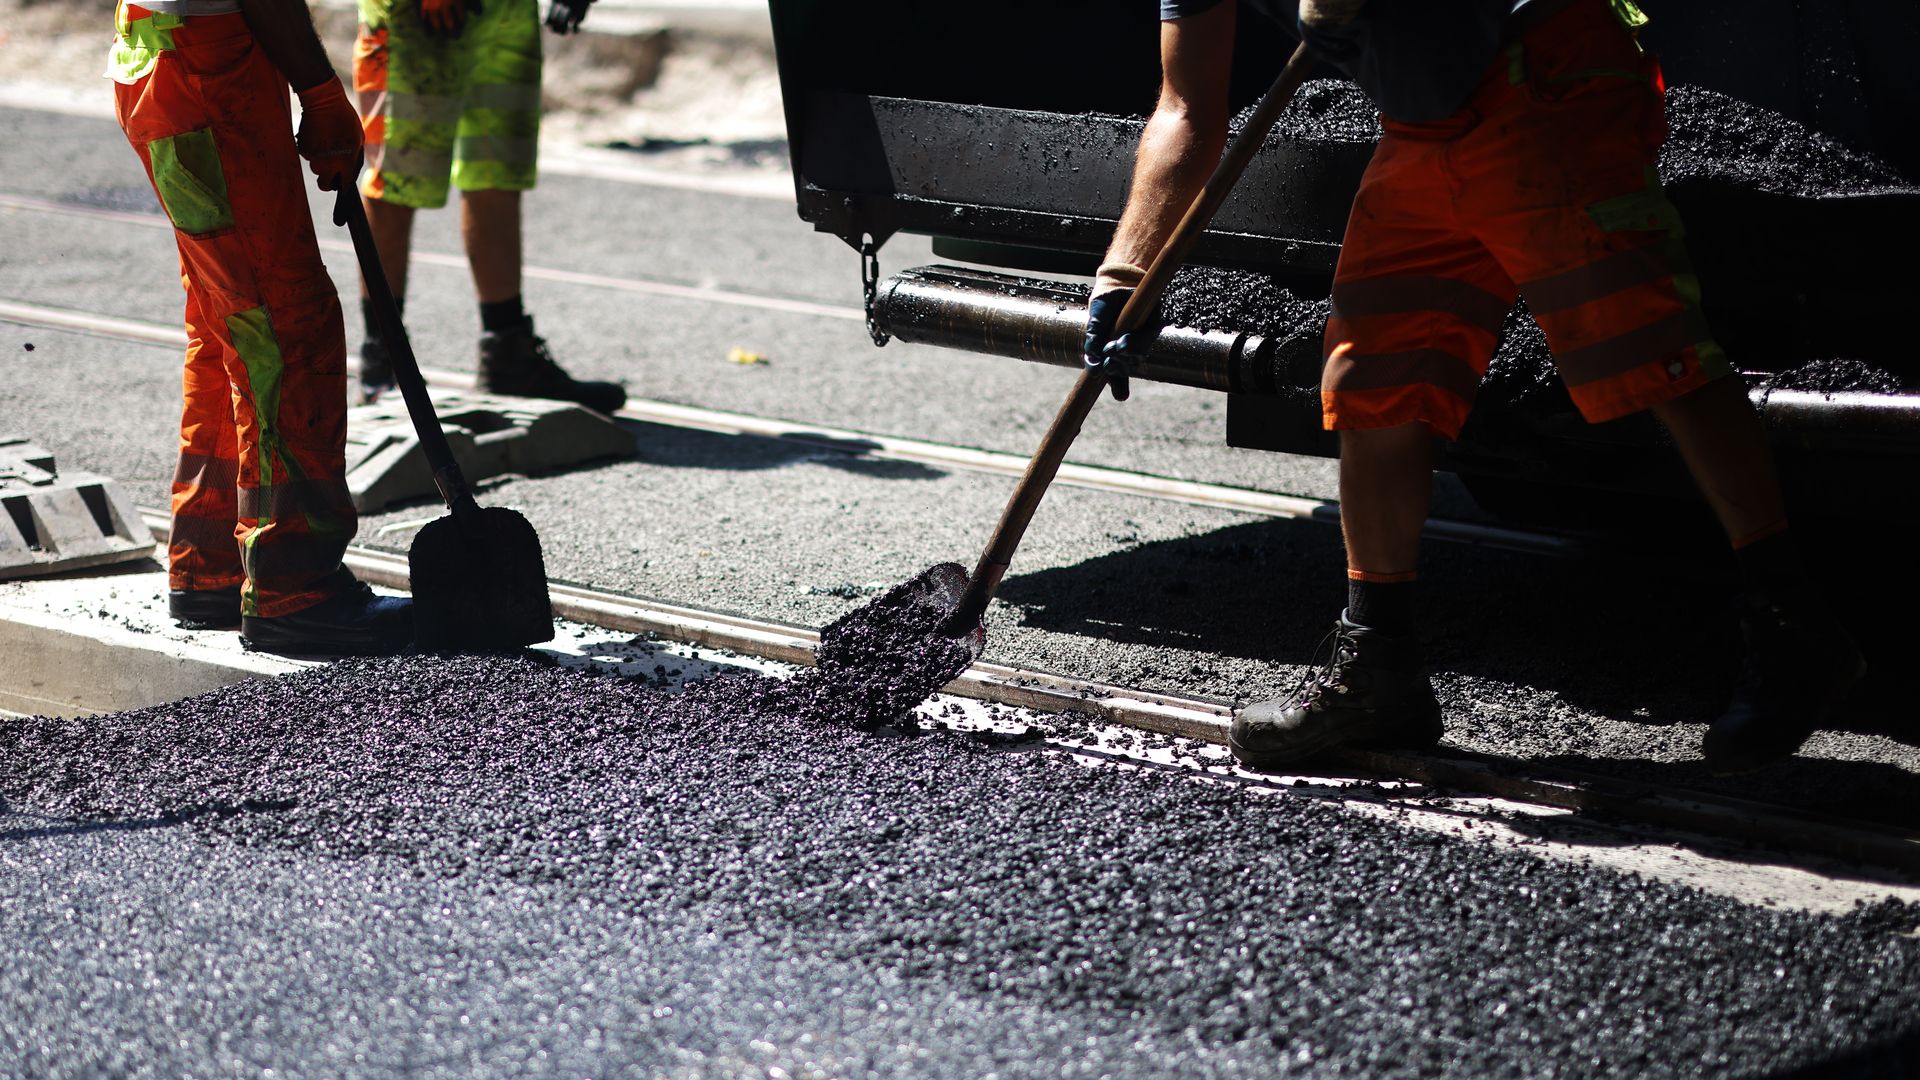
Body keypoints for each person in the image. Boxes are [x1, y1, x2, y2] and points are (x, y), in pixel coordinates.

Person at [1084, 0, 1865, 775]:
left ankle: (1794, 625)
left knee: (1650, 352)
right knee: (1373, 376)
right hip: (1425, 128)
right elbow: (1187, 107)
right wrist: (1124, 275)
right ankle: (1378, 670)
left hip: (1548, 81)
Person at [109, 0, 414, 653]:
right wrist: (321, 90)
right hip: (209, 66)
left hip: (161, 51)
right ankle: (293, 584)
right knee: (285, 323)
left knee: (228, 314)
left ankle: (213, 560)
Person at [351, 0, 625, 413]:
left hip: (507, 15)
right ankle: (383, 362)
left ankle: (508, 352)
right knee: (396, 177)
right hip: (415, 15)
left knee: (497, 171)